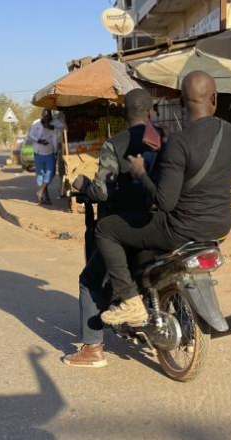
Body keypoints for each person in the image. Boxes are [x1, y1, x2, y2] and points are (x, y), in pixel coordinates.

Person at [95, 71, 231, 326]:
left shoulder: (179, 142)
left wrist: (141, 173)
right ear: (214, 99)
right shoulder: (230, 133)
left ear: (182, 103)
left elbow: (164, 202)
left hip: (180, 229)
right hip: (221, 226)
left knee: (106, 229)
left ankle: (131, 303)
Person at [63, 89, 161, 367]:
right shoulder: (164, 140)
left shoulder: (114, 144)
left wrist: (82, 185)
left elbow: (102, 192)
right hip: (160, 224)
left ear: (123, 114)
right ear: (151, 112)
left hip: (121, 228)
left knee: (90, 280)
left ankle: (92, 349)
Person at [28, 109, 58, 205]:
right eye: (45, 117)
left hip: (50, 153)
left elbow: (55, 139)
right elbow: (30, 135)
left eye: (49, 116)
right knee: (40, 176)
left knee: (51, 173)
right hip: (38, 153)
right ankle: (45, 197)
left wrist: (56, 151)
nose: (47, 118)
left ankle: (40, 191)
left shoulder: (53, 125)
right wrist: (39, 141)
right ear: (42, 116)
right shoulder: (36, 124)